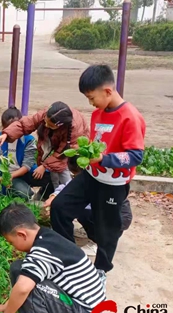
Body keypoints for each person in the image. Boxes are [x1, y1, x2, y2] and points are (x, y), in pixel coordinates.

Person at [50, 64, 146, 274]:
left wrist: (103, 158)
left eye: (92, 98)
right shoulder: (98, 114)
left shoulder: (130, 117)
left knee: (107, 231)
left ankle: (101, 271)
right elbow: (96, 142)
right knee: (60, 207)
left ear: (108, 91)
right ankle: (70, 260)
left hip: (113, 184)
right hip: (91, 176)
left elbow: (136, 155)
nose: (91, 103)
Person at [0, 203, 105, 313]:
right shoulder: (47, 237)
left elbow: (22, 288)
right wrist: (9, 305)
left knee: (31, 288)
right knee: (19, 268)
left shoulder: (41, 252)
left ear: (22, 234)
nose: (13, 247)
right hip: (86, 311)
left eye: (11, 242)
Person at [44, 156, 133, 255]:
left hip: (118, 217)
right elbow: (67, 187)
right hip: (110, 214)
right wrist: (54, 196)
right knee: (75, 208)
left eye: (75, 174)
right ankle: (92, 235)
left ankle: (97, 241)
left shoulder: (97, 180)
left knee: (81, 211)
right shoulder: (86, 178)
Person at [0, 101, 89, 190]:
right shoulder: (49, 113)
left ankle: (67, 194)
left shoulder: (75, 130)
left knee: (63, 170)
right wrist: (6, 133)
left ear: (60, 125)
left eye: (50, 125)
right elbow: (27, 123)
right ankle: (53, 193)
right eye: (45, 122)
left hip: (70, 148)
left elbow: (61, 154)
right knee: (54, 170)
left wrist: (44, 166)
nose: (46, 125)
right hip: (57, 139)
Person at [0, 107, 53, 200]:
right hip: (1, 175)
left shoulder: (28, 140)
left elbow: (27, 164)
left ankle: (40, 194)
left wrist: (11, 176)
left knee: (48, 177)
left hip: (21, 174)